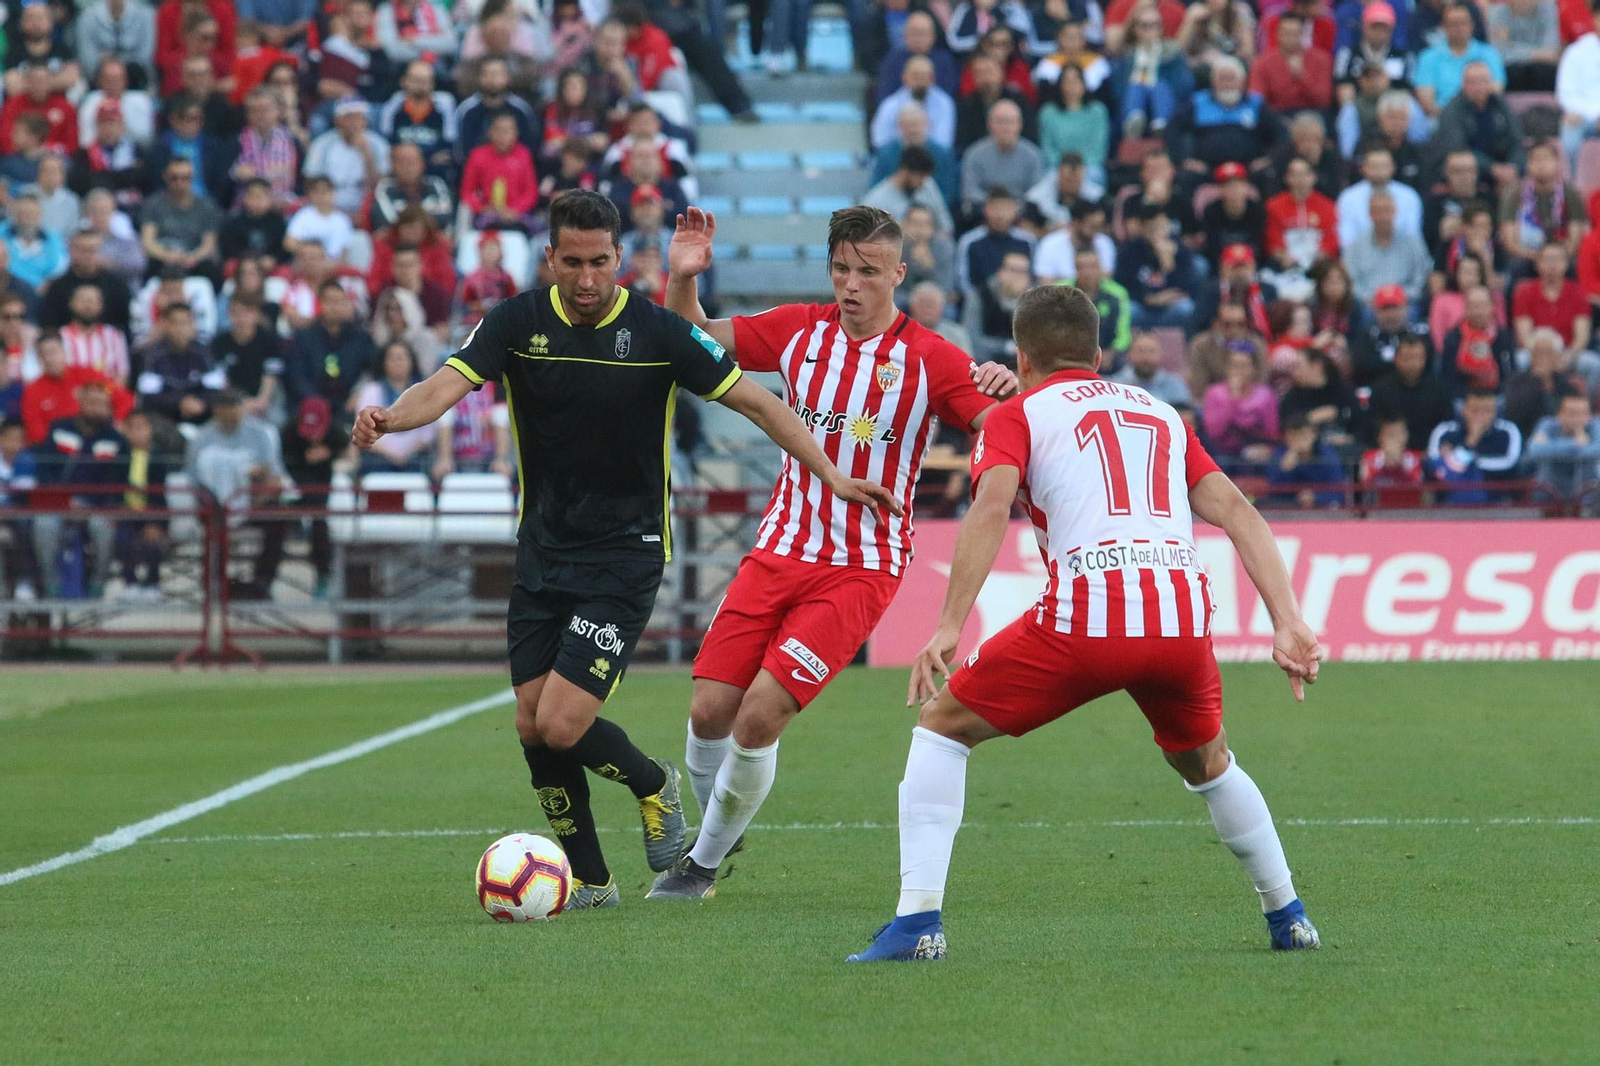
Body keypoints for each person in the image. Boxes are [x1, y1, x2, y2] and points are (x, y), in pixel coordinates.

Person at [350, 191, 902, 909]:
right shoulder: (516, 324)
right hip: (544, 550)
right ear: (550, 258)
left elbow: (760, 403)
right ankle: (592, 881)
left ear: (620, 259)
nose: (586, 280)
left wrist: (829, 471)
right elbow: (447, 385)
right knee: (530, 725)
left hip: (626, 555)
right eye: (572, 263)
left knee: (559, 722)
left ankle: (653, 783)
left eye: (600, 263)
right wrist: (390, 418)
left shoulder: (656, 331)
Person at [846, 283, 1323, 962]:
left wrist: (950, 625)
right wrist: (1289, 621)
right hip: (1183, 613)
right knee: (1209, 763)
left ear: (1022, 356)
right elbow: (1239, 511)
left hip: (1091, 610)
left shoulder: (1019, 412)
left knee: (942, 729)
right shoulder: (1161, 411)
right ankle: (1290, 916)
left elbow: (989, 508)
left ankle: (917, 925)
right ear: (1098, 352)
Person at [642, 203, 1017, 900]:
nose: (851, 285)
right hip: (779, 547)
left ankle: (701, 865)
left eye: (867, 272)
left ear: (898, 274)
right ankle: (724, 823)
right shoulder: (797, 330)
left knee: (758, 715)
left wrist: (1006, 382)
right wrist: (683, 279)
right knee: (707, 713)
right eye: (841, 269)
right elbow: (689, 334)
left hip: (862, 567)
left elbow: (1005, 426)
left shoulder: (930, 358)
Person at [187, 387, 290, 598]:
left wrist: (261, 484)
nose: (232, 412)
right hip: (214, 505)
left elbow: (275, 477)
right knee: (211, 518)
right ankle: (214, 584)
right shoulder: (201, 438)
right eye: (226, 407)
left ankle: (262, 582)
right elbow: (192, 481)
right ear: (217, 410)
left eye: (236, 406)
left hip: (253, 499)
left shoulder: (260, 434)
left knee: (278, 518)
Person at [31, 377, 128, 598]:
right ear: (80, 402)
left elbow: (116, 484)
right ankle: (51, 586)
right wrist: (64, 501)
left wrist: (89, 504)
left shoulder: (118, 441)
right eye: (90, 402)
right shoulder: (59, 428)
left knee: (103, 528)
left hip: (96, 506)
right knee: (44, 526)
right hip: (58, 503)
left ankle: (97, 585)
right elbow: (45, 472)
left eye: (100, 404)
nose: (95, 408)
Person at [288, 279, 378, 409]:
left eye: (339, 301)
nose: (334, 307)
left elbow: (372, 370)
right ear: (320, 303)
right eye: (329, 301)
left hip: (350, 406)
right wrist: (315, 401)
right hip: (311, 405)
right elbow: (297, 376)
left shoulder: (361, 338)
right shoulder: (303, 337)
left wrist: (359, 394)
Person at [1427, 387, 1524, 500]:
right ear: (1463, 410)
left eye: (1487, 411)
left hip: (1495, 500)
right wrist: (1471, 440)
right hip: (1449, 500)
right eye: (1475, 410)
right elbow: (1436, 467)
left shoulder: (1508, 431)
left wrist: (1462, 461)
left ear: (1495, 412)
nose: (1480, 416)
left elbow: (1509, 464)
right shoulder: (1444, 431)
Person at [137, 301, 223, 425]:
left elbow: (216, 389)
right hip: (165, 420)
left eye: (185, 323)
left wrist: (200, 403)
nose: (180, 328)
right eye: (175, 323)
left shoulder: (204, 353)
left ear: (193, 325)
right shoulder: (152, 355)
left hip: (201, 416)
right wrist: (180, 403)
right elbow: (149, 396)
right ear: (166, 325)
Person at [140, 156, 223, 283]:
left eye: (185, 178)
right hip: (163, 260)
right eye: (174, 178)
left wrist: (193, 257)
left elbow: (209, 244)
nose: (179, 183)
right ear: (165, 177)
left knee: (210, 269)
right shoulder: (153, 204)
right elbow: (148, 242)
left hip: (194, 261)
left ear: (192, 178)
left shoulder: (207, 206)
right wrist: (166, 255)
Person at [1342, 189, 1431, 307]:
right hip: (1368, 303)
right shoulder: (1355, 246)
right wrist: (1372, 298)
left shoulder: (1412, 242)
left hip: (1405, 302)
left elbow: (1421, 276)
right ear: (1370, 214)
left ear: (1395, 211)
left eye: (1386, 210)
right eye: (1377, 211)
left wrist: (1400, 296)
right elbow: (1351, 280)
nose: (1382, 216)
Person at [114, 408, 168, 599]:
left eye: (141, 427)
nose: (137, 432)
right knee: (123, 538)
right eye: (132, 428)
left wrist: (154, 522)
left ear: (150, 430)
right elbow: (115, 488)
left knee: (153, 542)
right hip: (127, 513)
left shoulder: (158, 458)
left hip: (152, 513)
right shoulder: (120, 457)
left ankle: (153, 582)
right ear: (125, 431)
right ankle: (130, 582)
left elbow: (159, 494)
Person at [1414, 3, 1505, 117]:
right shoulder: (1428, 57)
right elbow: (1427, 102)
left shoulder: (1490, 53)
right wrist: (1452, 119)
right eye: (1453, 24)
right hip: (1442, 119)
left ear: (1472, 25)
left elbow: (1496, 90)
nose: (1458, 28)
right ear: (1443, 27)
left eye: (1463, 23)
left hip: (1482, 117)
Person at [305, 99, 391, 217]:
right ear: (337, 121)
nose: (355, 123)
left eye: (359, 118)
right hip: (329, 206)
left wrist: (367, 155)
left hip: (366, 208)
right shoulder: (322, 144)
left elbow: (381, 185)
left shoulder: (378, 144)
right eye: (349, 118)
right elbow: (312, 180)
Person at [1202, 343, 1279, 459]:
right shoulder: (1214, 393)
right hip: (1222, 451)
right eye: (1234, 365)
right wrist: (1233, 397)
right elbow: (1214, 432)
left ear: (1253, 368)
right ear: (1226, 368)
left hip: (1255, 449)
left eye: (1243, 366)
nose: (1239, 371)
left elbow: (1272, 432)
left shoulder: (1265, 394)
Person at [1504, 327, 1586, 436]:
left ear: (1557, 357)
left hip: (1562, 436)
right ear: (1531, 355)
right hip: (1527, 435)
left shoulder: (1565, 383)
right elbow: (1514, 414)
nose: (1542, 357)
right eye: (1537, 352)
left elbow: (1576, 410)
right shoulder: (1516, 380)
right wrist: (1537, 381)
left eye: (1547, 352)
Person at [861, 147, 955, 238]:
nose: (923, 183)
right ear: (905, 171)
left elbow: (946, 227)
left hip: (931, 247)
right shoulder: (875, 201)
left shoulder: (928, 185)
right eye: (920, 177)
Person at [1440, 286, 1516, 397]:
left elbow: (1510, 374)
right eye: (1473, 306)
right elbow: (1448, 378)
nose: (1478, 312)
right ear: (1465, 308)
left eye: (1482, 306)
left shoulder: (1503, 337)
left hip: (1496, 396)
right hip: (1464, 397)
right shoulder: (1453, 338)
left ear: (1492, 307)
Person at [872, 57, 958, 152]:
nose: (920, 81)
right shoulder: (890, 105)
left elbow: (944, 141)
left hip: (932, 158)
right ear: (904, 78)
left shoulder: (944, 103)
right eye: (915, 76)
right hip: (897, 158)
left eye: (925, 76)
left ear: (933, 79)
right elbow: (880, 140)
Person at [1526, 393, 1600, 499]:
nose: (1578, 418)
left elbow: (1597, 450)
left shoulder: (1595, 425)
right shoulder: (1547, 424)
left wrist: (1551, 447)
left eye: (1584, 413)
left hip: (1586, 495)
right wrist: (1574, 443)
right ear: (1560, 414)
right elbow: (1534, 450)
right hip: (1549, 494)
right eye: (1572, 413)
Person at [1556, 3, 1600, 176]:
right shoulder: (1576, 51)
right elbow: (1565, 93)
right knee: (1570, 137)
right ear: (1594, 18)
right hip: (1582, 118)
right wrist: (1594, 115)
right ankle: (1571, 189)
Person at [1267, 413, 1347, 508]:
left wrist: (1316, 498)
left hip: (1321, 511)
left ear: (1313, 434)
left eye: (1303, 434)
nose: (1299, 440)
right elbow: (1273, 490)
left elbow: (1339, 493)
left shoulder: (1326, 455)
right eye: (1293, 436)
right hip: (1287, 510)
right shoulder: (1279, 454)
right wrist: (1285, 469)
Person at [60, 286, 131, 387]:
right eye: (83, 300)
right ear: (71, 303)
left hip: (106, 398)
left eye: (93, 301)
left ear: (101, 306)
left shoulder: (114, 335)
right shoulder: (61, 336)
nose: (88, 306)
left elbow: (122, 374)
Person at [1109, 330, 1192, 406]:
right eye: (1140, 351)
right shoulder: (1115, 385)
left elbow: (1184, 415)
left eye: (1151, 351)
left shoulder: (1175, 384)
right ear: (1129, 354)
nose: (1146, 357)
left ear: (1161, 355)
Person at [285, 177, 356, 262]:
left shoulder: (343, 220)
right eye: (317, 192)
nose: (322, 196)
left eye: (325, 192)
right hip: (307, 264)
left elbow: (345, 251)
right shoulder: (304, 215)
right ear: (311, 195)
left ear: (333, 193)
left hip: (332, 266)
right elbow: (289, 243)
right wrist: (312, 251)